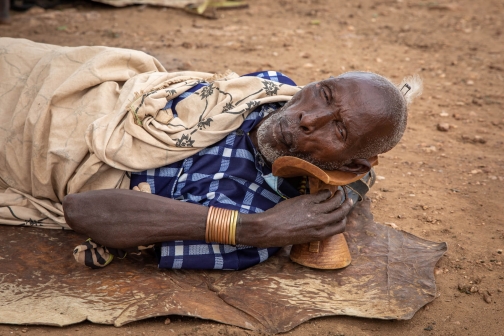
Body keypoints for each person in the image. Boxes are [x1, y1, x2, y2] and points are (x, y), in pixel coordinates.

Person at [64, 70, 422, 270]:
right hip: (90, 82)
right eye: (324, 95)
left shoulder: (262, 223)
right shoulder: (270, 87)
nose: (308, 118)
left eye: (339, 130)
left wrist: (255, 229)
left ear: (351, 164)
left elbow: (85, 210)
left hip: (56, 145)